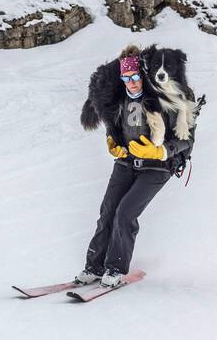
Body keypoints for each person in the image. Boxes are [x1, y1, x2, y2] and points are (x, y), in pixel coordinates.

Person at [75, 44, 195, 289]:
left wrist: (161, 150)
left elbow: (187, 140)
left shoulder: (170, 98)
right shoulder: (119, 98)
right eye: (126, 78)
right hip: (126, 163)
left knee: (125, 213)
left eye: (136, 77)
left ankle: (115, 269)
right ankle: (94, 267)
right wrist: (111, 140)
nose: (132, 83)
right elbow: (112, 122)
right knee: (107, 212)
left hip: (157, 168)